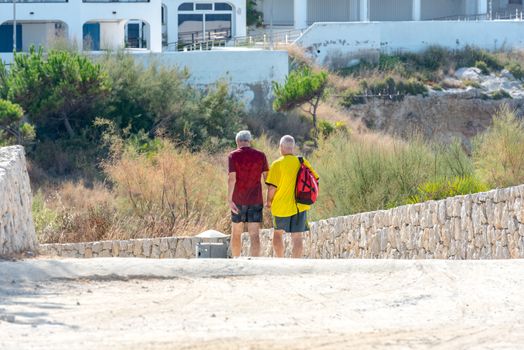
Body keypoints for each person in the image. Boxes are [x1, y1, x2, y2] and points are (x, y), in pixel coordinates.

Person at [265, 135, 319, 258]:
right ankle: (296, 263)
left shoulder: (277, 164)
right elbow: (315, 179)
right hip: (300, 204)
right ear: (293, 147)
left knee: (278, 234)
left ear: (281, 147)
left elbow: (272, 187)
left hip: (281, 206)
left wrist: (268, 202)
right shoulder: (302, 161)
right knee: (297, 236)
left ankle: (281, 260)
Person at [228, 130, 269, 257]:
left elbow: (232, 179)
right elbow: (267, 179)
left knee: (236, 233)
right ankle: (255, 264)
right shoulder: (261, 155)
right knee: (254, 234)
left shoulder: (233, 156)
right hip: (256, 200)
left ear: (237, 142)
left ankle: (236, 259)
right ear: (249, 141)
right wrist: (268, 198)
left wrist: (230, 200)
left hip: (238, 200)